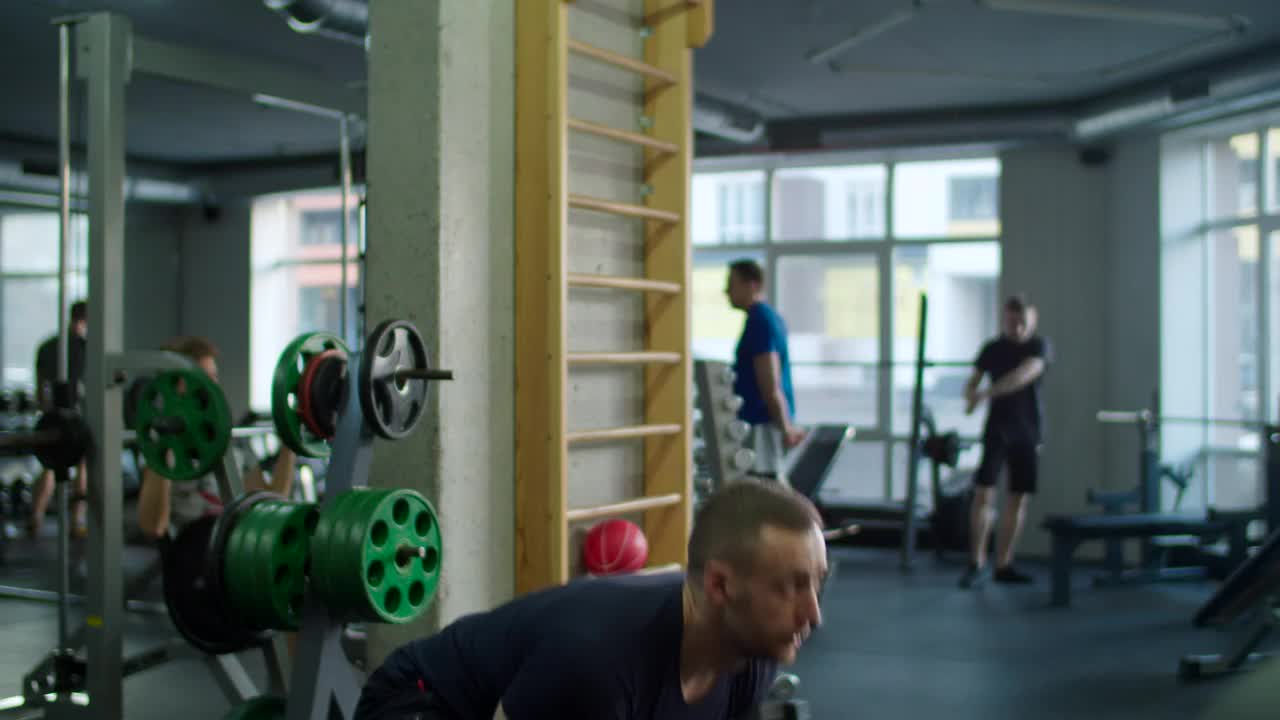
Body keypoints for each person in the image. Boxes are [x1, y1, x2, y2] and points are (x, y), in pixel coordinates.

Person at [355, 480, 827, 720]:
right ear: (721, 587)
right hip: (424, 702)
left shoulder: (754, 653)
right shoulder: (597, 663)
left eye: (816, 584)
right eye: (790, 586)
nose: (813, 614)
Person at [136, 336, 296, 540]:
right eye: (203, 377)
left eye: (214, 377)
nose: (213, 386)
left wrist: (289, 442)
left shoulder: (234, 442)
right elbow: (153, 526)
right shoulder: (159, 446)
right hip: (191, 551)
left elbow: (272, 506)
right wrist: (168, 440)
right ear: (175, 386)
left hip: (233, 545)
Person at [959, 296, 1052, 588]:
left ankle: (1004, 564)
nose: (1018, 325)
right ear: (1005, 319)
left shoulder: (1039, 346)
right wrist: (970, 395)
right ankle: (977, 562)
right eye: (1012, 320)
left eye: (1023, 320)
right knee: (983, 494)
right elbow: (972, 380)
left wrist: (984, 394)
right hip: (997, 430)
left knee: (1018, 497)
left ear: (1032, 319)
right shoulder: (992, 348)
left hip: (1028, 431)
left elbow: (1023, 376)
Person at [725, 259, 805, 480]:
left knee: (768, 493)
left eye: (732, 284)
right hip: (764, 421)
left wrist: (785, 427)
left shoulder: (761, 320)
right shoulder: (767, 317)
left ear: (752, 285)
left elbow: (769, 383)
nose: (726, 291)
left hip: (762, 424)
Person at [28, 300, 89, 538]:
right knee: (82, 468)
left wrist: (46, 411)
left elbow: (39, 388)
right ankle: (76, 521)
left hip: (52, 418)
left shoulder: (47, 346)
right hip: (75, 417)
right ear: (85, 320)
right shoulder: (85, 347)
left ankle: (36, 516)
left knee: (49, 467)